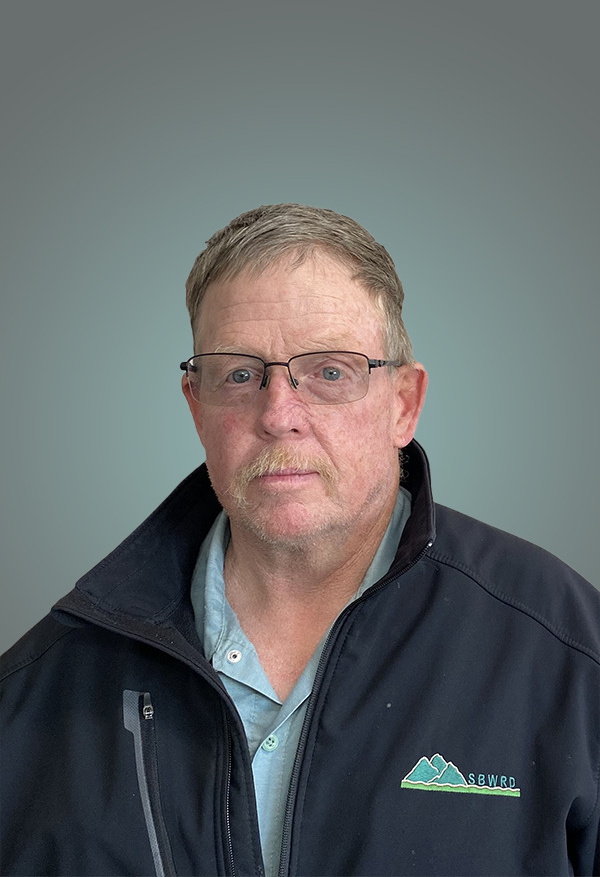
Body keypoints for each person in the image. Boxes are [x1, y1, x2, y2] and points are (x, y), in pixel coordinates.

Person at [1, 203, 599, 877]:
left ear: (403, 404)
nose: (279, 414)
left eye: (330, 372)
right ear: (196, 407)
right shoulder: (37, 696)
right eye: (239, 374)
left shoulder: (567, 655)